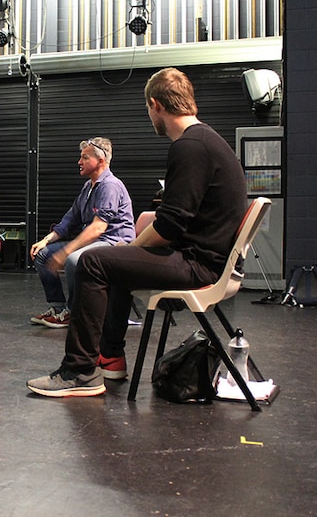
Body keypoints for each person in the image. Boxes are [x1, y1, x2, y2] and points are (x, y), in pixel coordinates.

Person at [27, 67, 247, 397]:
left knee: (93, 261)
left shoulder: (189, 147)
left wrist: (129, 249)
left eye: (147, 109)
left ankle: (80, 371)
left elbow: (170, 225)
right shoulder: (206, 141)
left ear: (155, 105)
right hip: (206, 259)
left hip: (199, 266)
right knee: (111, 263)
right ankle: (110, 358)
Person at [29, 137, 135, 328]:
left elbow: (98, 228)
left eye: (85, 158)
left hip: (114, 242)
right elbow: (70, 219)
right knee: (43, 255)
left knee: (73, 259)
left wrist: (65, 252)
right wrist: (46, 240)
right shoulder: (88, 187)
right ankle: (58, 308)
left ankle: (75, 311)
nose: (79, 162)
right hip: (94, 240)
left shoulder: (110, 186)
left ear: (101, 161)